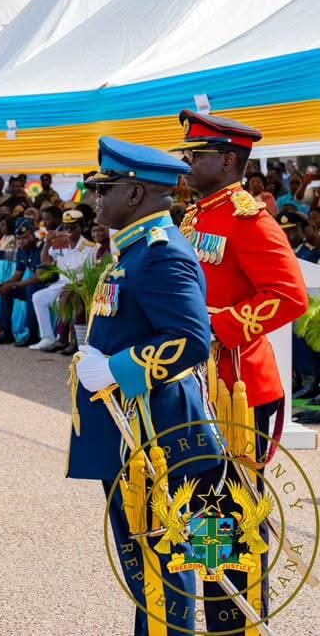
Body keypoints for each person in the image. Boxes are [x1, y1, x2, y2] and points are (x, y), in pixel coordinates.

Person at [71, 137, 222, 636]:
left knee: (162, 557)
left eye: (104, 189)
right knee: (145, 559)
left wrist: (117, 369)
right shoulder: (136, 250)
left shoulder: (159, 253)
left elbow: (191, 339)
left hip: (157, 430)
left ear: (135, 193)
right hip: (135, 430)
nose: (95, 198)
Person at [174, 110, 308, 631]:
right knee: (204, 509)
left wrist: (218, 327)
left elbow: (289, 295)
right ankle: (219, 614)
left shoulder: (249, 218)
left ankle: (240, 621)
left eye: (198, 154)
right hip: (201, 381)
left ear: (229, 161)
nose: (187, 162)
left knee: (232, 510)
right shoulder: (196, 216)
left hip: (238, 386)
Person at [29, 209, 95, 351]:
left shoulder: (89, 248)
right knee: (38, 297)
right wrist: (47, 243)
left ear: (81, 227)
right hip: (61, 283)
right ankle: (47, 337)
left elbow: (90, 275)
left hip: (79, 286)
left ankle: (68, 340)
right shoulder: (61, 243)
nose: (69, 231)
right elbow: (46, 262)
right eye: (66, 228)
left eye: (73, 227)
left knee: (66, 296)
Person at [0, 218, 44, 346]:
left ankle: (32, 334)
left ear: (32, 234)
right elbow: (18, 274)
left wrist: (12, 285)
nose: (21, 241)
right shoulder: (21, 250)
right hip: (31, 284)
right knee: (6, 292)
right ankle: (5, 332)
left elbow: (37, 278)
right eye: (19, 238)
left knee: (31, 290)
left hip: (44, 284)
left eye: (25, 238)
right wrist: (5, 284)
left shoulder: (40, 248)